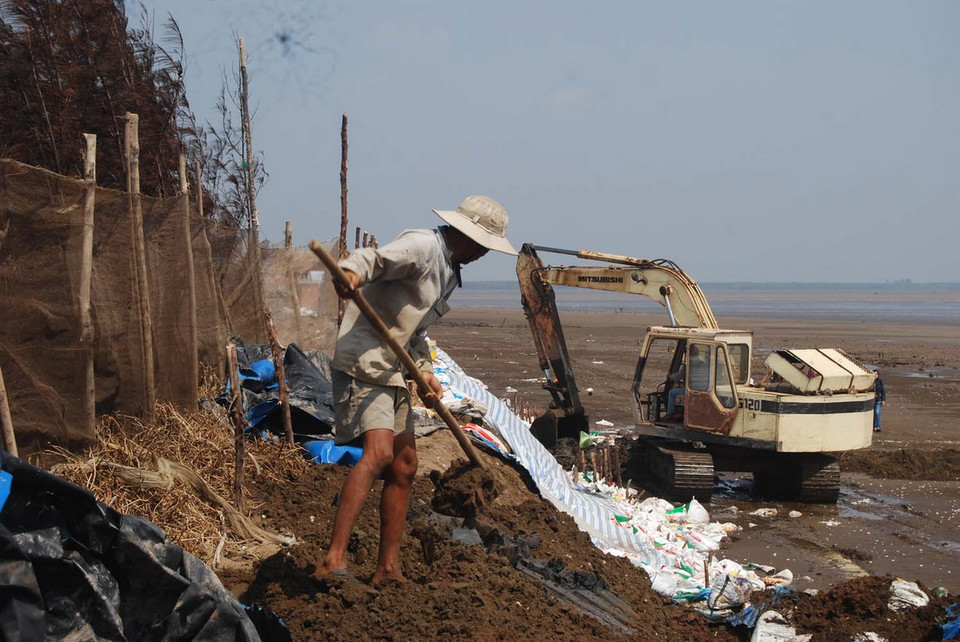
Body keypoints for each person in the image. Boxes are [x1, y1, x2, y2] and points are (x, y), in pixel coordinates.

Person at [316, 195, 517, 586]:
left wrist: (424, 372)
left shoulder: (449, 273)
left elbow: (416, 331)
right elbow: (372, 259)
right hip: (364, 362)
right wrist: (351, 273)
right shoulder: (424, 246)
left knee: (405, 465)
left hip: (392, 369)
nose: (483, 254)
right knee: (377, 454)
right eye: (484, 246)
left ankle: (387, 568)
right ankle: (333, 559)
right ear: (469, 237)